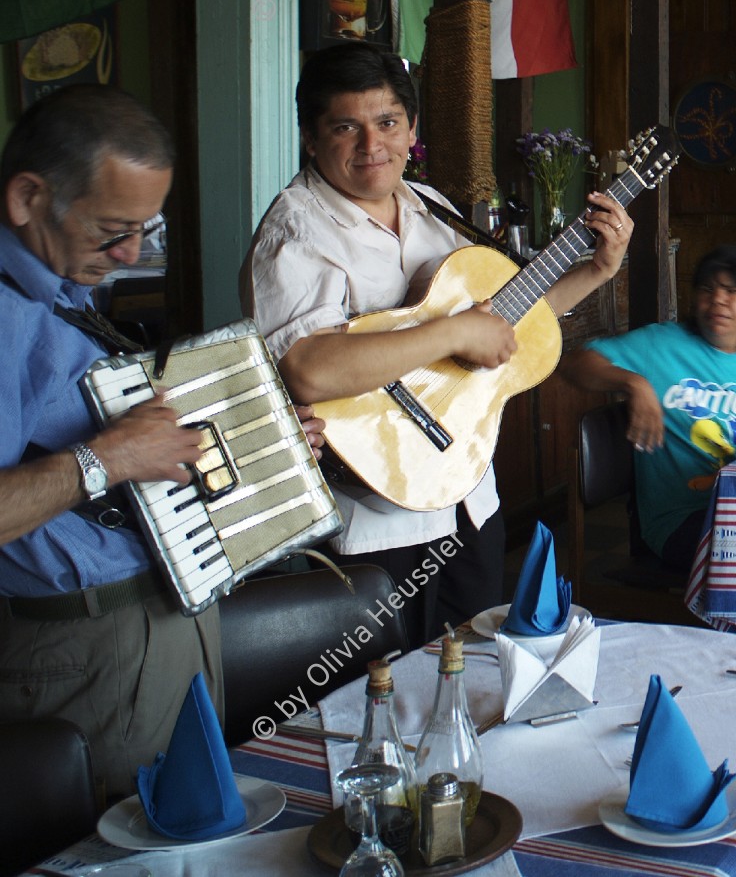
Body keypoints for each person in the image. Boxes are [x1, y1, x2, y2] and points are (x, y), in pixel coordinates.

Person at [240, 42, 633, 647]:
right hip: (374, 519)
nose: (373, 146)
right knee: (385, 694)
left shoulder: (435, 210)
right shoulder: (296, 229)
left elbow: (506, 321)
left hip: (468, 493)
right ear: (311, 139)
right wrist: (450, 331)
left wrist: (594, 273)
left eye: (388, 123)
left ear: (411, 128)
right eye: (346, 127)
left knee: (473, 673)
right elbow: (307, 370)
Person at [0, 86, 243, 798]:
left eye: (146, 228)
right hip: (82, 649)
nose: (132, 252)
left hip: (162, 613)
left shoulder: (59, 291)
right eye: (113, 229)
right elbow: (110, 454)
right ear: (26, 197)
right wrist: (108, 459)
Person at [558, 246, 736, 573]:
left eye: (733, 291)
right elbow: (574, 364)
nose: (718, 300)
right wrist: (633, 384)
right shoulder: (661, 345)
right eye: (708, 289)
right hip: (681, 519)